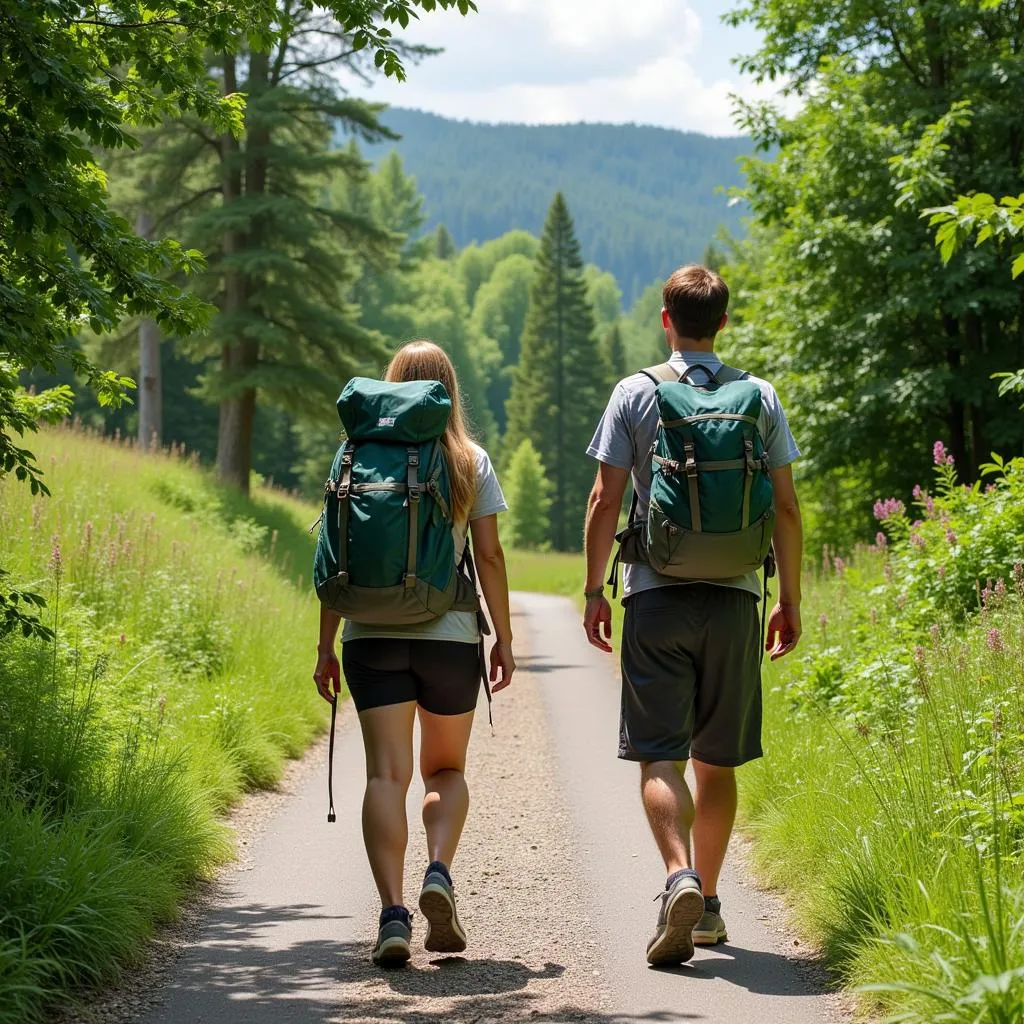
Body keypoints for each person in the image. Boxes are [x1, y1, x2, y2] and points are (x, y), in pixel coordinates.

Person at [582, 265, 803, 966]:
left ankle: (676, 873)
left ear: (666, 319)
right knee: (718, 758)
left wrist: (593, 590)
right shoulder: (760, 396)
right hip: (738, 597)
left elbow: (603, 500)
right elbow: (789, 508)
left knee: (659, 754)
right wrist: (792, 599)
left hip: (656, 592)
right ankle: (706, 902)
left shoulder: (635, 392)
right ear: (725, 322)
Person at [312, 340, 516, 967]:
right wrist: (504, 637)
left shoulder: (353, 454)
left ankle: (392, 916)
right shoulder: (467, 460)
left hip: (369, 639)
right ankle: (438, 874)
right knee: (444, 773)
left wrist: (325, 647)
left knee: (384, 777)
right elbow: (489, 557)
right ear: (448, 390)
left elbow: (336, 558)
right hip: (449, 638)